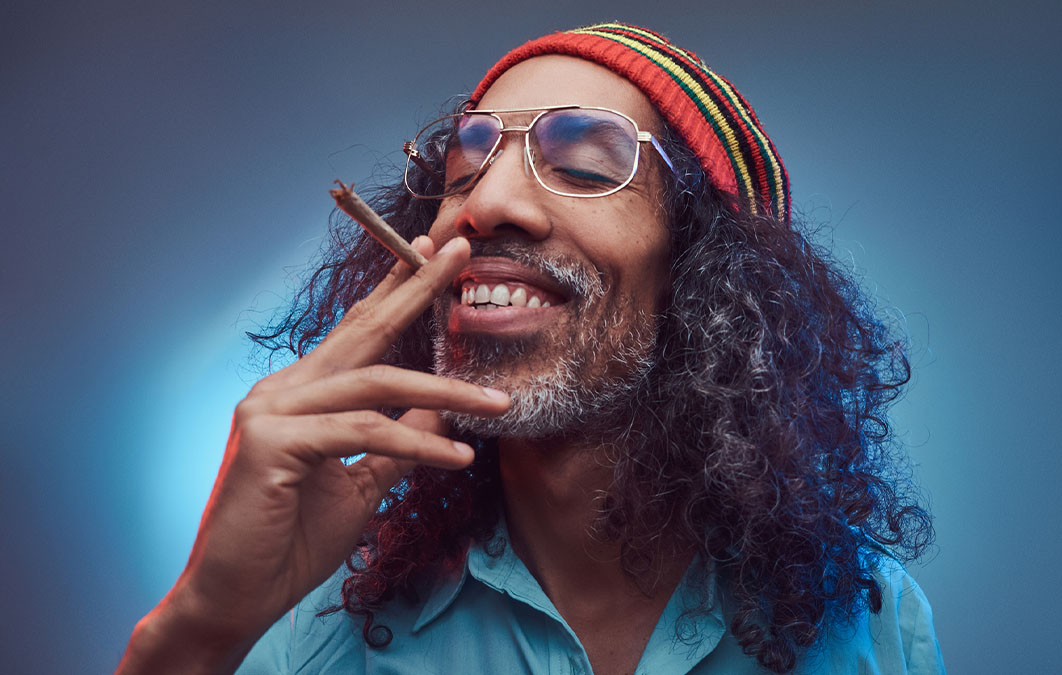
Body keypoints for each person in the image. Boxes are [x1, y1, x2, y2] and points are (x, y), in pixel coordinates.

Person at [119, 22, 944, 675]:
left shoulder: (873, 628)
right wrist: (202, 625)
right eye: (465, 165)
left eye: (585, 166)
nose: (485, 204)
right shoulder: (311, 627)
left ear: (707, 277)